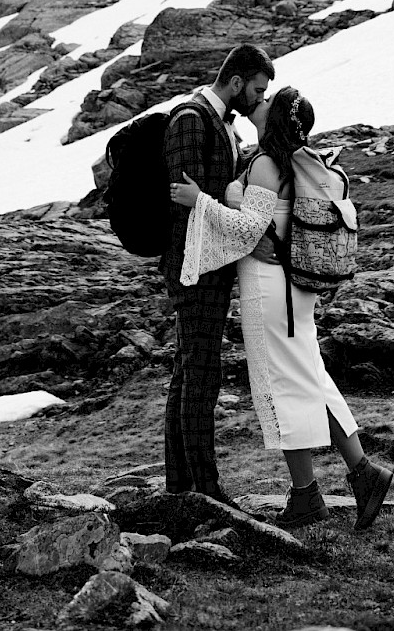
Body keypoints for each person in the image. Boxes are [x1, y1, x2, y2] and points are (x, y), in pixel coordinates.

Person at [171, 85, 394, 531]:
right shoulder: (290, 159)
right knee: (311, 380)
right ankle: (363, 473)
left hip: (271, 292)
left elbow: (250, 228)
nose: (262, 100)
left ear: (274, 120)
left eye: (269, 101)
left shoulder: (267, 165)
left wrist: (202, 202)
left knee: (282, 388)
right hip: (292, 290)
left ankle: (307, 496)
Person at [160, 42, 275, 502]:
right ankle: (204, 489)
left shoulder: (221, 125)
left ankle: (182, 485)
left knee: (189, 372)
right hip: (194, 269)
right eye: (257, 89)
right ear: (235, 82)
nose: (260, 98)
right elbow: (187, 203)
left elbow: (210, 198)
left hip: (210, 266)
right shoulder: (192, 119)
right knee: (201, 377)